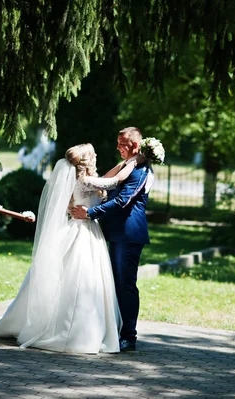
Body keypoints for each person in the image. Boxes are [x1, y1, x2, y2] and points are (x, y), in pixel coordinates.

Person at [0, 143, 139, 354]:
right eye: (94, 153)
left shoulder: (79, 179)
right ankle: (74, 331)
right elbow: (114, 181)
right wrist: (134, 162)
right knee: (81, 279)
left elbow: (108, 176)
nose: (97, 154)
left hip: (77, 228)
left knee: (70, 277)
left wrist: (122, 164)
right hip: (85, 232)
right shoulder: (87, 181)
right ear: (87, 161)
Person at [71, 127, 153, 352]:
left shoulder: (140, 170)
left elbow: (123, 202)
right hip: (116, 233)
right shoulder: (129, 165)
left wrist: (90, 213)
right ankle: (114, 330)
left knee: (125, 284)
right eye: (117, 142)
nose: (118, 147)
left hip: (128, 234)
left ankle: (129, 336)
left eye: (122, 144)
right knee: (113, 283)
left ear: (135, 146)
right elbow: (109, 182)